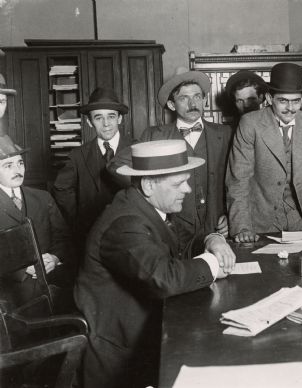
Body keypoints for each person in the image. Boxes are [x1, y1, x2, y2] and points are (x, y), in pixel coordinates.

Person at [75, 139, 236, 388]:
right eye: (179, 183)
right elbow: (163, 278)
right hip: (122, 357)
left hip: (149, 333)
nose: (188, 190)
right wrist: (213, 265)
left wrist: (213, 239)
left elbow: (186, 237)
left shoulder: (145, 206)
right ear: (149, 185)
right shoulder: (125, 224)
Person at [110, 68, 232, 247]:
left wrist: (232, 215)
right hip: (171, 230)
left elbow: (240, 181)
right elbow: (116, 165)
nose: (192, 103)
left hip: (217, 230)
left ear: (205, 100)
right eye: (184, 98)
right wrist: (149, 190)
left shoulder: (225, 133)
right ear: (172, 105)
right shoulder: (155, 135)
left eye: (197, 96)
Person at [227, 62, 302, 242]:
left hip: (301, 219)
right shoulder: (250, 123)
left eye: (296, 101)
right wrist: (242, 227)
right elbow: (239, 180)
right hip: (260, 221)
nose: (290, 108)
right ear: (269, 98)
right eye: (283, 101)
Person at [0, 77, 73, 305]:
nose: (17, 170)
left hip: (52, 282)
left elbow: (64, 237)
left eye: (20, 163)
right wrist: (22, 271)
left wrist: (55, 257)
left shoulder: (42, 197)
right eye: (8, 165)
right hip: (11, 292)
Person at [53, 87, 132, 258]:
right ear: (89, 122)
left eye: (111, 116)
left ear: (119, 118)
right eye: (98, 117)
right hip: (91, 237)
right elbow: (61, 189)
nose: (106, 123)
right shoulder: (77, 156)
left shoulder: (137, 150)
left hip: (130, 235)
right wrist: (80, 218)